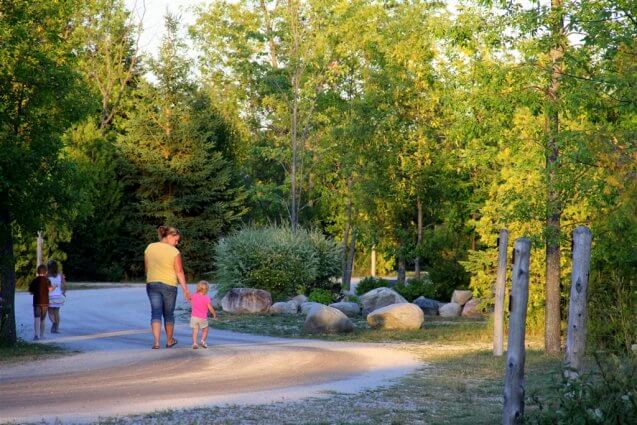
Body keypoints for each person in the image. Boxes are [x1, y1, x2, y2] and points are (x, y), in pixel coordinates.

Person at [145, 225, 191, 349]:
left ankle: (156, 342)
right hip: (169, 286)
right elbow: (179, 271)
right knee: (168, 314)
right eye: (176, 240)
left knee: (155, 313)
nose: (177, 243)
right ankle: (169, 340)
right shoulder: (174, 252)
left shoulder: (150, 247)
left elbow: (147, 268)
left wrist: (151, 279)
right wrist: (185, 290)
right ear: (170, 236)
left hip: (152, 284)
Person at [189, 280, 217, 349]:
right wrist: (214, 314)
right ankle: (202, 341)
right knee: (205, 330)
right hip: (202, 318)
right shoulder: (206, 298)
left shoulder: (194, 296)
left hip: (194, 317)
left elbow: (190, 299)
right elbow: (210, 308)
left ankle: (195, 343)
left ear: (198, 288)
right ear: (206, 289)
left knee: (195, 330)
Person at [28, 264, 52, 340]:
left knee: (37, 318)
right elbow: (50, 289)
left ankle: (36, 335)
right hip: (45, 302)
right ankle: (42, 335)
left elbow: (31, 292)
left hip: (37, 302)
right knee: (43, 319)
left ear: (37, 272)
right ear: (46, 272)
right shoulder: (47, 280)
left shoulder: (34, 281)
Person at [47, 260, 66, 333]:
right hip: (59, 296)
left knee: (50, 312)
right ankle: (56, 329)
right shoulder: (60, 274)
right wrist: (64, 293)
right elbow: (65, 285)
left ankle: (53, 322)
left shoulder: (47, 275)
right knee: (57, 313)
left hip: (50, 296)